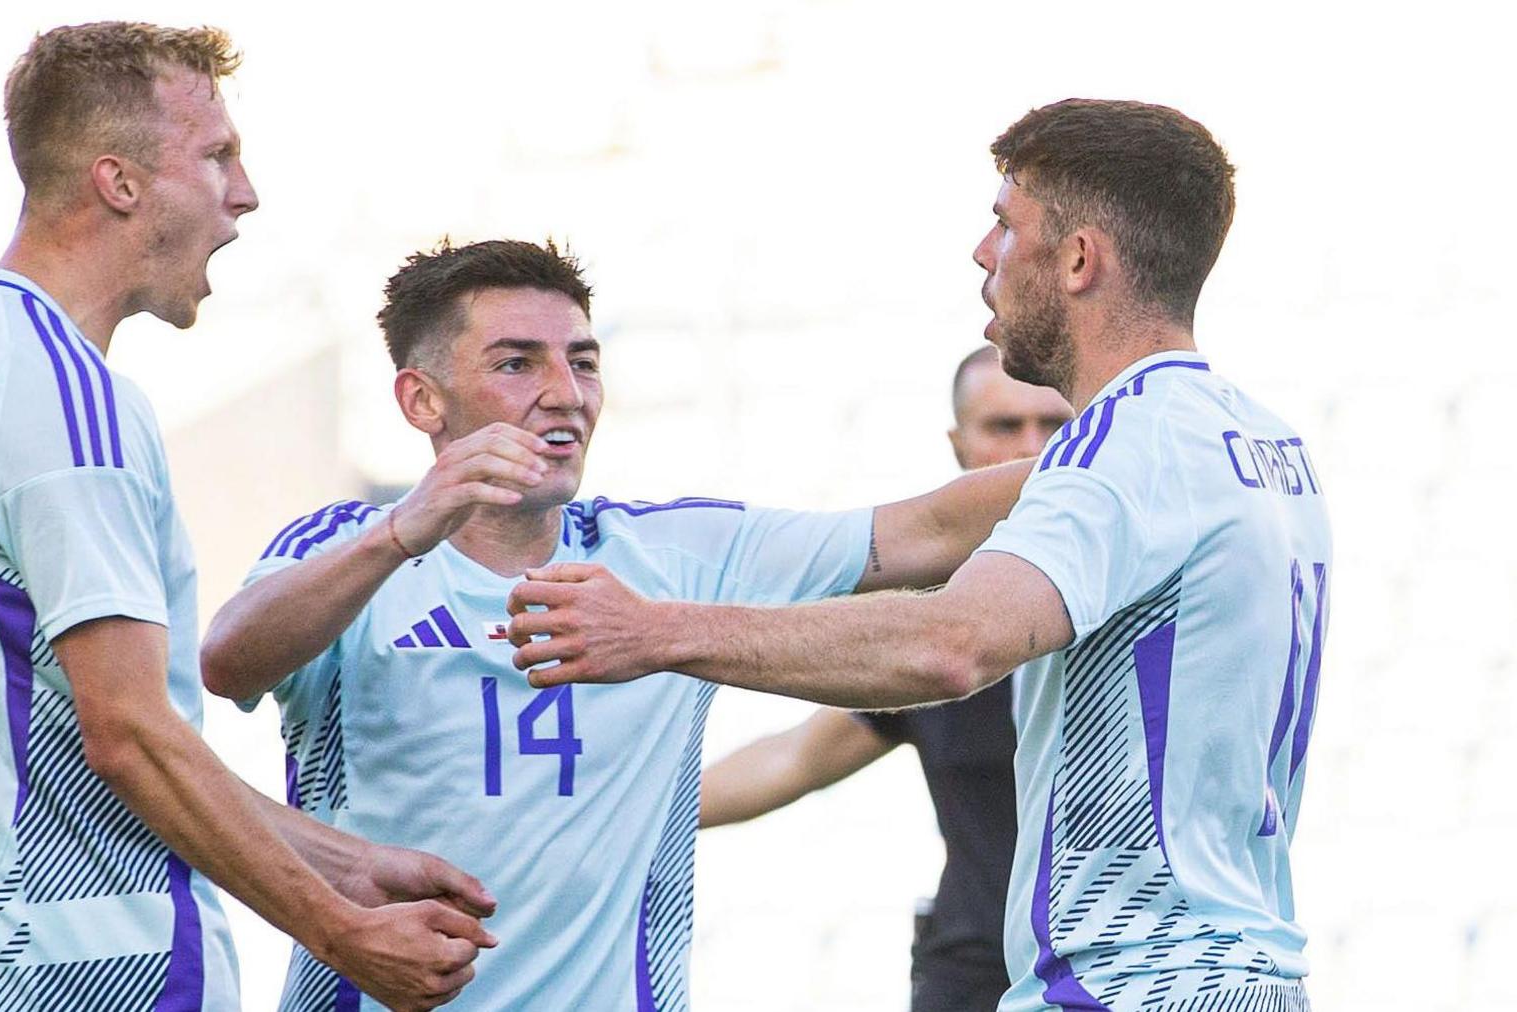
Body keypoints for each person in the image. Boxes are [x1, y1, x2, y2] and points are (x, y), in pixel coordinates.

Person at [511, 99, 1331, 1010]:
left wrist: (657, 632)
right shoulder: (1257, 442)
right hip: (1244, 977)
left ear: (1078, 260)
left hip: (1132, 983)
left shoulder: (1127, 445)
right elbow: (930, 535)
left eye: (1004, 225)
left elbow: (951, 643)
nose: (984, 254)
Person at [199, 238, 1034, 1010]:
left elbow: (929, 530)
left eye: (583, 362)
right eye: (516, 363)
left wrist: (1145, 429)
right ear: (422, 399)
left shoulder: (678, 549)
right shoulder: (344, 552)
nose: (564, 394)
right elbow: (228, 663)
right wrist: (405, 529)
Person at [0, 23, 494, 1011]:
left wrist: (346, 864)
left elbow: (95, 734)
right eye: (217, 156)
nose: (244, 193)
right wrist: (340, 932)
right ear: (119, 184)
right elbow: (129, 735)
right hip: (103, 961)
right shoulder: (65, 401)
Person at [698, 345, 1073, 1011]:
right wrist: (616, 807)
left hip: (1119, 973)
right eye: (1004, 427)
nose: (1031, 449)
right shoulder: (932, 622)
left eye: (1054, 424)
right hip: (975, 976)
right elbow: (792, 758)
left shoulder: (1143, 594)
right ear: (959, 447)